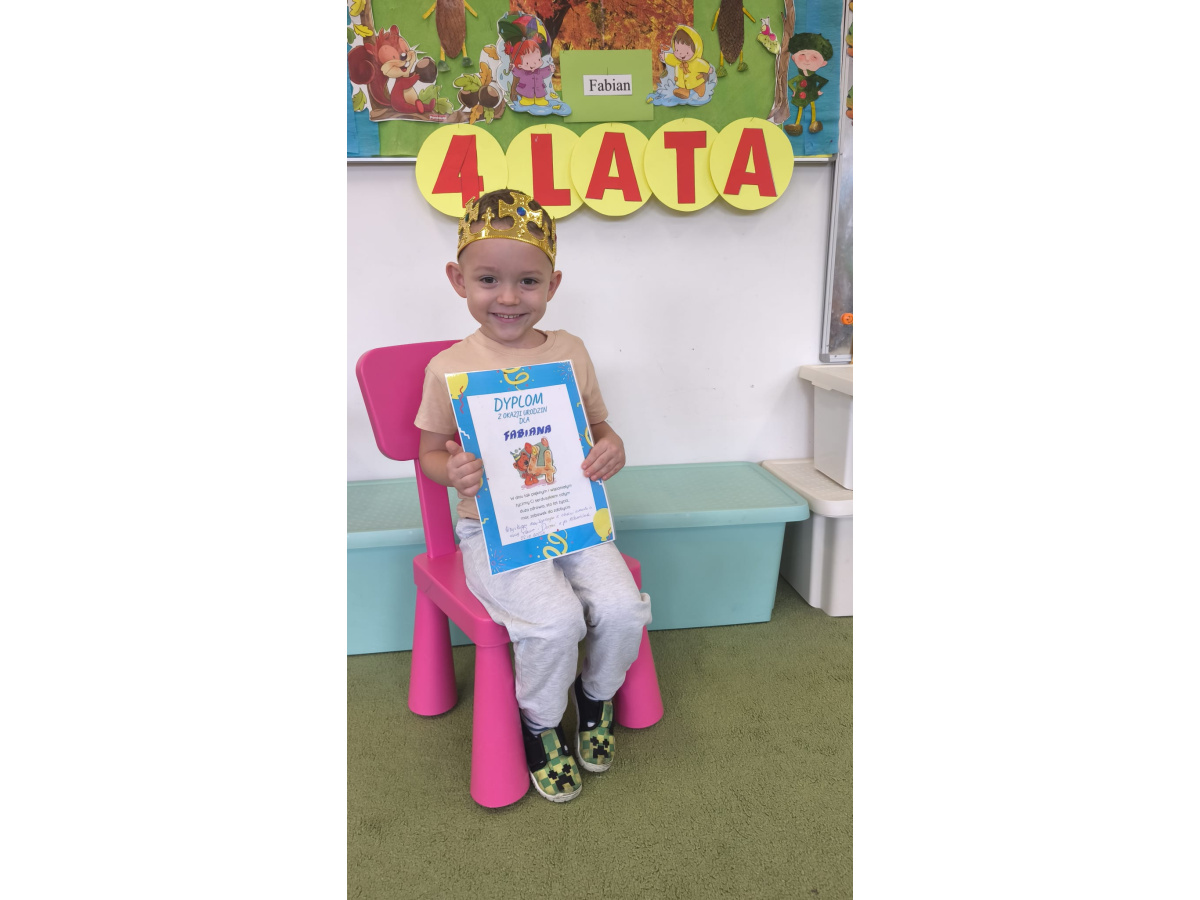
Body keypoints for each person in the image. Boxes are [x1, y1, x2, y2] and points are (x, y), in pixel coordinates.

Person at [414, 188, 653, 803]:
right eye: (488, 279)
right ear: (458, 280)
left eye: (528, 281)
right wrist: (452, 470)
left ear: (553, 284)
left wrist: (613, 446)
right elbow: (429, 452)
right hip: (490, 526)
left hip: (571, 515)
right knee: (555, 620)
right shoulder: (448, 367)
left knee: (622, 609)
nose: (508, 297)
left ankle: (595, 696)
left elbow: (599, 428)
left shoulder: (570, 352)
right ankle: (541, 724)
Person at [784, 32, 834, 136]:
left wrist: (817, 89)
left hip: (811, 94)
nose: (807, 59)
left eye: (814, 57)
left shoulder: (813, 77)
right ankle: (797, 124)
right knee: (800, 107)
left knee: (812, 105)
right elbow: (790, 82)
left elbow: (823, 81)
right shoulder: (799, 77)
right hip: (800, 95)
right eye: (802, 55)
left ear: (823, 63)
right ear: (794, 58)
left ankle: (813, 123)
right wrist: (794, 90)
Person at [659, 25, 711, 100]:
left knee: (698, 85)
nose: (681, 55)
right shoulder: (677, 60)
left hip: (696, 81)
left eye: (686, 52)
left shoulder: (696, 61)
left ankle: (700, 88)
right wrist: (665, 56)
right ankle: (683, 92)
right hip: (682, 83)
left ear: (696, 49)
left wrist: (708, 69)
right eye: (677, 50)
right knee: (682, 87)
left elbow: (703, 65)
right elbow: (671, 58)